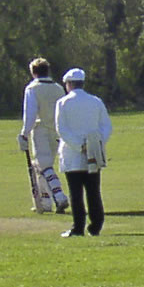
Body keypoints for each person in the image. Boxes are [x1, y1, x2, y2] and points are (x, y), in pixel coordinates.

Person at [54, 68, 113, 238]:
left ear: (69, 84)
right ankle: (96, 226)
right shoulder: (96, 101)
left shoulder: (63, 103)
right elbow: (106, 126)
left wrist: (79, 146)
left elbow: (61, 129)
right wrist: (96, 143)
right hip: (93, 154)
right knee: (94, 190)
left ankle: (78, 227)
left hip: (72, 155)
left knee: (76, 192)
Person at [18, 58, 70, 214]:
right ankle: (45, 202)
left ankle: (60, 196)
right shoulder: (58, 88)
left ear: (33, 73)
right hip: (56, 131)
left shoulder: (32, 89)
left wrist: (24, 134)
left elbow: (30, 114)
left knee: (44, 165)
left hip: (40, 130)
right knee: (40, 166)